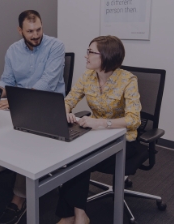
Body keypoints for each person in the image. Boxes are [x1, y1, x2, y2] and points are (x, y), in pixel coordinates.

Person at [58, 35, 141, 224]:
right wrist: (66, 113)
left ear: (105, 56)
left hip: (124, 141)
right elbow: (68, 101)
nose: (86, 56)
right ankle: (77, 215)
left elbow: (134, 119)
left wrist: (102, 123)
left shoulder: (128, 80)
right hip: (95, 137)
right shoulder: (87, 76)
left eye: (90, 52)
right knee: (73, 155)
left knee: (80, 159)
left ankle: (72, 216)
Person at [0, 9, 67, 224]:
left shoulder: (56, 46)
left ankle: (19, 197)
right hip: (20, 108)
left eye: (38, 29)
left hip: (50, 107)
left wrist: (19, 102)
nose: (36, 35)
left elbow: (47, 83)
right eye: (30, 31)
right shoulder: (12, 50)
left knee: (25, 141)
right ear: (20, 30)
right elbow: (7, 80)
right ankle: (27, 181)